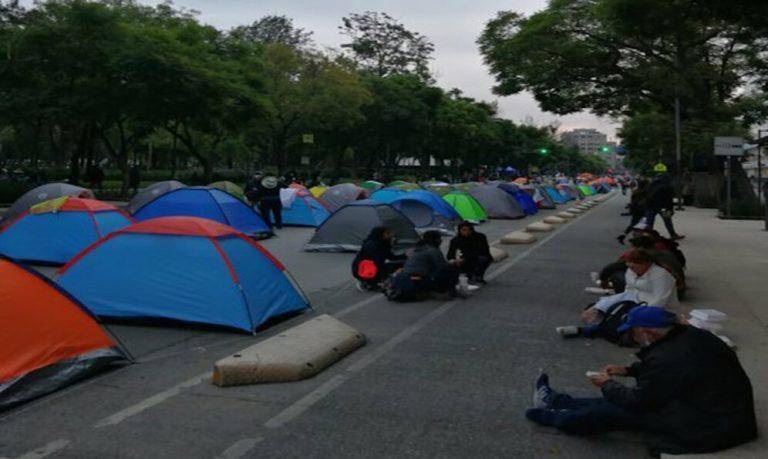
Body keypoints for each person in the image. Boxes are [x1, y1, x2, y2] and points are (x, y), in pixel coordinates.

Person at [528, 307, 757, 457]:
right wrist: (627, 370)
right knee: (614, 401)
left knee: (610, 411)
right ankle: (555, 400)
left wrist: (607, 384)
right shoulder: (688, 337)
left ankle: (551, 415)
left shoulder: (668, 356)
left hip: (707, 421)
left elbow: (640, 401)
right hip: (717, 408)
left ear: (647, 331)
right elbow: (669, 374)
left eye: (633, 332)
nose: (633, 337)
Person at [557, 249, 679, 339]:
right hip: (636, 302)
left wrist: (635, 313)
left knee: (620, 320)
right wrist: (602, 305)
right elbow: (628, 291)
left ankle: (584, 331)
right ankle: (590, 328)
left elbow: (660, 301)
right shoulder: (631, 271)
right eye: (630, 267)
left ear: (646, 264)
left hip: (658, 309)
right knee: (606, 308)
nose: (632, 270)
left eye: (635, 267)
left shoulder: (661, 275)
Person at [395, 230, 473, 299]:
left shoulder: (416, 249)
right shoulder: (432, 250)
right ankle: (449, 291)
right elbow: (442, 267)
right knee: (452, 269)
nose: (441, 240)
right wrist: (454, 263)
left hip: (407, 278)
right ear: (435, 240)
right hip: (422, 279)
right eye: (439, 238)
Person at [351, 227, 406, 291]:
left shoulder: (383, 243)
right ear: (380, 234)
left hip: (375, 265)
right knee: (392, 267)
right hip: (363, 269)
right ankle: (368, 281)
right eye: (387, 233)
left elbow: (391, 257)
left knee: (401, 263)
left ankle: (376, 280)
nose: (390, 235)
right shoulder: (371, 245)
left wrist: (405, 255)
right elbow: (378, 261)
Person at [645, 174, 684, 241]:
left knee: (649, 222)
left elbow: (646, 196)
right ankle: (673, 235)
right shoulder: (667, 186)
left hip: (650, 206)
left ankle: (647, 237)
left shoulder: (650, 185)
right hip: (663, 207)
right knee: (667, 220)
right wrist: (670, 209)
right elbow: (669, 200)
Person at [617, 177, 648, 244]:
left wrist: (631, 209)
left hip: (635, 210)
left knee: (633, 223)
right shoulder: (646, 192)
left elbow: (632, 202)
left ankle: (623, 235)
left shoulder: (636, 191)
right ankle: (640, 239)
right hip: (643, 210)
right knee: (645, 224)